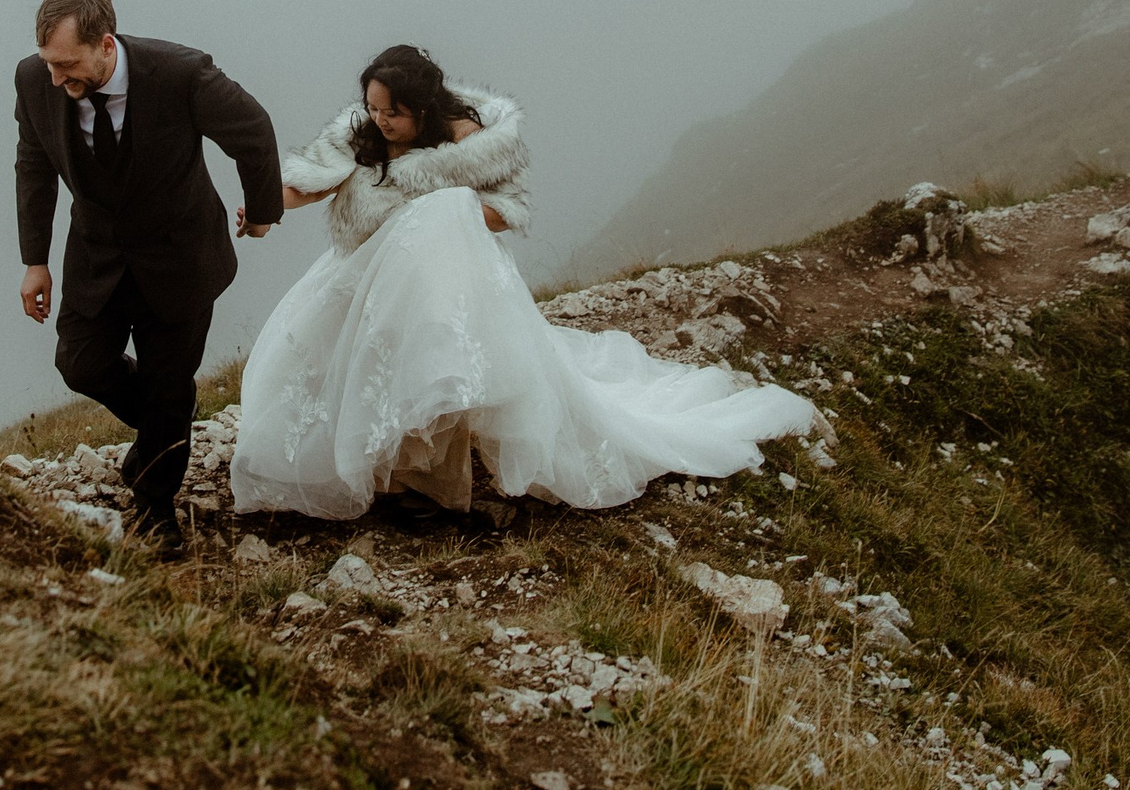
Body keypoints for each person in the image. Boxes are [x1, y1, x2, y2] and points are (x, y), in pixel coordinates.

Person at [230, 44, 816, 520]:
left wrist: (434, 211)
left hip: (447, 271)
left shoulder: (478, 144)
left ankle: (429, 485)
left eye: (393, 112)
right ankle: (358, 462)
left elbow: (502, 212)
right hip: (366, 267)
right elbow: (311, 180)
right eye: (372, 107)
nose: (379, 121)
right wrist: (264, 209)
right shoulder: (363, 130)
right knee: (333, 349)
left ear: (424, 109)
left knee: (434, 342)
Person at [14, 0, 282, 550]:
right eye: (49, 66)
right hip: (96, 258)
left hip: (180, 258)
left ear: (105, 44)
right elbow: (34, 164)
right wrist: (35, 260)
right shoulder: (35, 80)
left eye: (67, 65)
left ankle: (155, 510)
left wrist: (261, 212)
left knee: (166, 384)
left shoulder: (182, 74)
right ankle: (168, 423)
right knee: (80, 363)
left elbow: (253, 130)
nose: (57, 80)